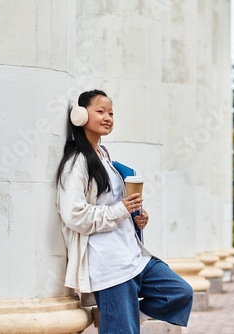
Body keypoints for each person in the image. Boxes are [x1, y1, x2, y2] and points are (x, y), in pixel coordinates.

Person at [56, 89, 193, 333]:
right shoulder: (77, 162)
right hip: (109, 264)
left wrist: (135, 215)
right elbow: (74, 215)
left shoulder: (105, 158)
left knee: (179, 292)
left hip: (134, 256)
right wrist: (120, 210)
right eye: (100, 111)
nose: (108, 117)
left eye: (111, 112)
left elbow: (116, 205)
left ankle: (123, 317)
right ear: (79, 115)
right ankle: (118, 318)